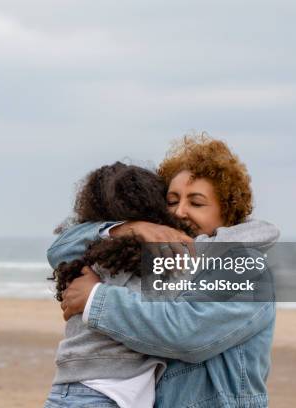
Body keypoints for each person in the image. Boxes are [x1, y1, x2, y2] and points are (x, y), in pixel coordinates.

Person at [47, 134, 279, 407]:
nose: (180, 211)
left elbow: (187, 333)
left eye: (196, 203)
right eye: (172, 200)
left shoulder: (245, 267)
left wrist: (95, 298)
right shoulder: (169, 254)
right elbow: (61, 250)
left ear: (227, 213)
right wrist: (125, 228)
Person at [46, 162, 191, 408]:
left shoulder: (89, 256)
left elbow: (57, 249)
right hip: (95, 394)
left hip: (81, 391)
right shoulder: (147, 260)